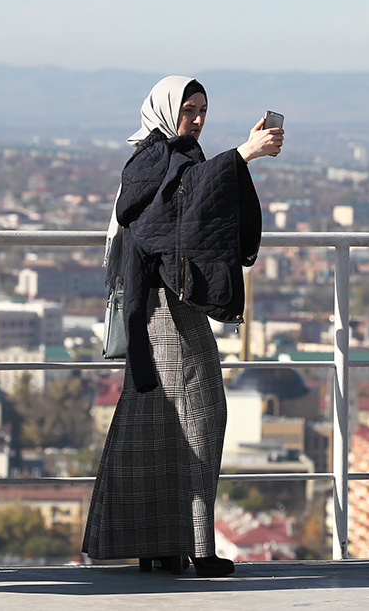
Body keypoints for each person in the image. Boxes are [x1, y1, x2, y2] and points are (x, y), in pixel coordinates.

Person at [83, 75, 282, 577]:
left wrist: (235, 160)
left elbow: (183, 206)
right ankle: (194, 546)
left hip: (163, 306)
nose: (196, 119)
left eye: (202, 111)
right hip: (164, 310)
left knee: (162, 428)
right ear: (165, 108)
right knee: (195, 421)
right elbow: (160, 219)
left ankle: (165, 544)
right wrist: (241, 155)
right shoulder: (156, 156)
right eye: (189, 109)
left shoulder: (171, 155)